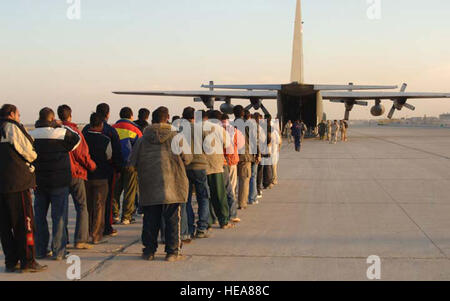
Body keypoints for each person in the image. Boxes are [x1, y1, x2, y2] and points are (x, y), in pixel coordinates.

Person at [130, 107, 192, 262]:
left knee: (150, 219)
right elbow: (188, 158)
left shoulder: (142, 139)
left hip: (150, 185)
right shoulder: (176, 137)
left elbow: (132, 162)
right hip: (173, 184)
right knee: (172, 219)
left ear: (153, 118)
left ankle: (149, 251)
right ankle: (172, 252)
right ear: (168, 118)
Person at [0, 104, 47, 273]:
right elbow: (29, 151)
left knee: (5, 226)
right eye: (19, 115)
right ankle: (28, 260)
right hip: (17, 183)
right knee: (24, 223)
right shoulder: (11, 127)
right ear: (12, 114)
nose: (20, 118)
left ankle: (11, 261)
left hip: (2, 185)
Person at [30, 108, 81, 261]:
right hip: (59, 182)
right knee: (59, 217)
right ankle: (59, 250)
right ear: (52, 119)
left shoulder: (31, 135)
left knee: (39, 217)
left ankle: (40, 249)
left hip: (39, 182)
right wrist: (61, 125)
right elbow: (76, 140)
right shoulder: (61, 133)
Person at [57, 105, 96, 250]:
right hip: (76, 173)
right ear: (70, 115)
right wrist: (92, 166)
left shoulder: (55, 132)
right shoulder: (75, 132)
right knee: (81, 206)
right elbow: (82, 155)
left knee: (61, 208)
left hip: (59, 174)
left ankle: (62, 239)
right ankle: (80, 239)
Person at [82, 103, 123, 238]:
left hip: (87, 173)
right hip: (105, 173)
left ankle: (87, 230)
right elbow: (115, 153)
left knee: (88, 204)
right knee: (104, 202)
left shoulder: (85, 131)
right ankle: (104, 228)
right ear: (108, 114)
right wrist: (118, 169)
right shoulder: (109, 131)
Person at [181, 107, 211, 240]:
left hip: (185, 167)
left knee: (186, 200)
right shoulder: (201, 129)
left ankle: (189, 228)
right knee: (203, 197)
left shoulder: (179, 130)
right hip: (200, 166)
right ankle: (202, 228)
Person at [84, 113, 113, 244]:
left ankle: (87, 232)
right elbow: (109, 156)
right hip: (101, 176)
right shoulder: (105, 140)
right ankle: (96, 235)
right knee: (100, 206)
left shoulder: (82, 138)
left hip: (86, 177)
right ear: (101, 125)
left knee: (87, 206)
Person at [112, 107, 142, 225]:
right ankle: (126, 217)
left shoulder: (112, 128)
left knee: (115, 191)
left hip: (115, 165)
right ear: (131, 116)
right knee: (129, 192)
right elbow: (140, 147)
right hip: (131, 165)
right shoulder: (135, 129)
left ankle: (114, 215)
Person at [205, 110, 234, 229]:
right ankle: (224, 220)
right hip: (215, 165)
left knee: (206, 196)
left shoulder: (195, 128)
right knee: (219, 194)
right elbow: (228, 146)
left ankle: (209, 220)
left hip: (200, 166)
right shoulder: (219, 129)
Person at [233, 106, 256, 210]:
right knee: (244, 180)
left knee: (232, 181)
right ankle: (242, 203)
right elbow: (253, 140)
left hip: (232, 155)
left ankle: (231, 203)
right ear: (243, 113)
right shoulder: (248, 125)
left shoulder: (231, 125)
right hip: (245, 156)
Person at [222, 113, 242, 223]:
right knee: (232, 188)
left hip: (221, 162)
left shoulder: (216, 130)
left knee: (222, 188)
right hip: (232, 161)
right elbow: (240, 145)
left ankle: (221, 213)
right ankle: (232, 214)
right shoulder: (234, 130)